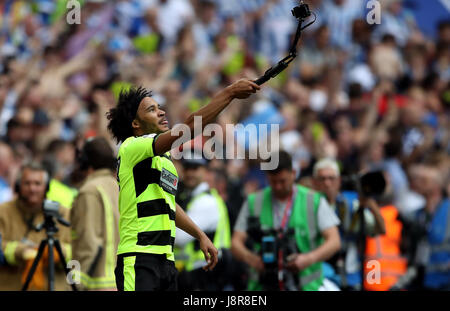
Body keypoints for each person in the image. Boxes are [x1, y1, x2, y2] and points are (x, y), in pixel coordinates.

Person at [106, 78, 260, 291]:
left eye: (160, 108)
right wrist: (230, 92)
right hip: (139, 258)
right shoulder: (132, 147)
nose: (161, 112)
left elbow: (168, 204)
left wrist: (199, 234)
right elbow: (187, 128)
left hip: (166, 261)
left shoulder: (163, 159)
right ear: (136, 124)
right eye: (152, 110)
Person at [231, 150, 341, 291]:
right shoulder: (254, 201)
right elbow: (235, 243)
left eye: (282, 181)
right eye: (273, 181)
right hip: (263, 285)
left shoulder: (313, 200)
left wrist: (308, 259)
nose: (277, 186)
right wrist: (253, 260)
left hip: (306, 285)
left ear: (293, 174)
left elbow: (334, 241)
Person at [312, 158, 386, 290]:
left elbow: (380, 230)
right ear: (314, 182)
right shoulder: (309, 205)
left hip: (350, 274)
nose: (327, 183)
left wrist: (370, 204)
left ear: (339, 181)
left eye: (331, 178)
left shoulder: (351, 203)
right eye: (322, 179)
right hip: (319, 273)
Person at [0, 162, 71, 290]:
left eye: (37, 184)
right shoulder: (3, 212)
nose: (32, 189)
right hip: (12, 286)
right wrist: (21, 251)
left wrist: (56, 253)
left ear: (47, 187)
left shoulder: (62, 213)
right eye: (27, 183)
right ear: (17, 186)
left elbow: (77, 250)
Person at [174, 149, 231, 290]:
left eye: (195, 168)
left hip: (202, 277)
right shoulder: (189, 197)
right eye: (187, 168)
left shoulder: (206, 202)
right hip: (191, 276)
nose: (190, 173)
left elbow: (180, 238)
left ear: (206, 171)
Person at [70, 137, 120, 291]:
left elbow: (88, 243)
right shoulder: (119, 186)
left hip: (99, 284)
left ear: (85, 163)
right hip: (124, 282)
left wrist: (75, 283)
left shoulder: (90, 191)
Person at [397, 165, 450, 290]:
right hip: (422, 279)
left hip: (445, 280)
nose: (418, 183)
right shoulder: (417, 214)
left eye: (424, 180)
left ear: (436, 186)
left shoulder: (447, 209)